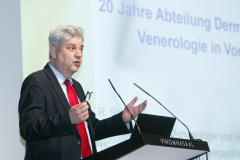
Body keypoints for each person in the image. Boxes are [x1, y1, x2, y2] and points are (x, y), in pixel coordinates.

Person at [18, 25, 147, 160]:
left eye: (81, 48)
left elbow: (92, 129)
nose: (79, 54)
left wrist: (121, 119)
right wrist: (68, 118)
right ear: (54, 51)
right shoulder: (37, 81)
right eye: (71, 48)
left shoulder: (76, 87)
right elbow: (28, 128)